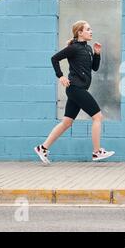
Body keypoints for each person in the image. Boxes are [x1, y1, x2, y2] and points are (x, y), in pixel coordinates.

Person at [34, 20, 115, 164]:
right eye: (88, 29)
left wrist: (97, 54)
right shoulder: (74, 48)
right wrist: (61, 76)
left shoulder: (88, 48)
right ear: (80, 32)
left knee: (66, 123)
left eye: (91, 29)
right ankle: (97, 152)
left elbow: (94, 68)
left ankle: (43, 148)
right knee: (98, 117)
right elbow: (54, 59)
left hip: (79, 89)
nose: (91, 31)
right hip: (75, 89)